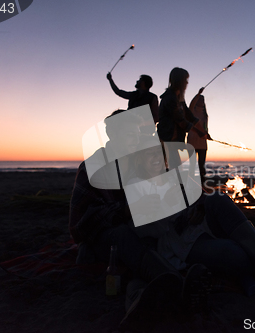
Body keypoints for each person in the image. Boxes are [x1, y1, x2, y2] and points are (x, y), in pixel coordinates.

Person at [69, 110, 207, 331]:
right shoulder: (94, 166)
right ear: (111, 133)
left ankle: (140, 299)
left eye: (136, 134)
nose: (134, 141)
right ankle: (177, 287)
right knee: (125, 236)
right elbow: (80, 225)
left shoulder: (134, 163)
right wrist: (126, 210)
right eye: (128, 135)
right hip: (104, 238)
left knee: (147, 240)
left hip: (135, 233)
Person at [125, 135, 255, 297]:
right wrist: (150, 211)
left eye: (158, 152)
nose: (156, 157)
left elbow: (201, 197)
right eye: (149, 153)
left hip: (203, 225)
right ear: (139, 159)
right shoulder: (135, 186)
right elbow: (142, 232)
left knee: (217, 198)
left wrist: (197, 207)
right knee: (233, 253)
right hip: (179, 242)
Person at [187, 95, 211, 183]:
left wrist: (207, 135)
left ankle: (202, 183)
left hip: (202, 143)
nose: (201, 101)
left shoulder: (205, 115)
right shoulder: (191, 112)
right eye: (199, 99)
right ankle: (191, 183)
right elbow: (191, 105)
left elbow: (205, 128)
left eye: (202, 99)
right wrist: (198, 94)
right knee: (192, 165)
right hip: (192, 141)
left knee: (201, 165)